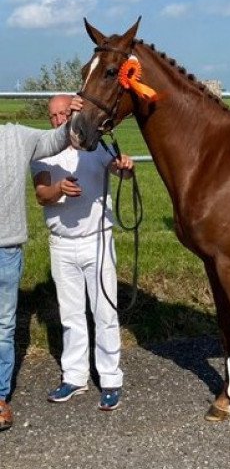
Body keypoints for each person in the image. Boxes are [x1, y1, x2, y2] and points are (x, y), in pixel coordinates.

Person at [31, 94, 134, 412]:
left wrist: (126, 168)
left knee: (105, 311)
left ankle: (110, 379)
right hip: (61, 244)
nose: (59, 120)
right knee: (71, 314)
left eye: (64, 112)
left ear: (74, 112)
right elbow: (42, 195)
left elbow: (122, 173)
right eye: (53, 116)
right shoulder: (42, 152)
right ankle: (74, 377)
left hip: (97, 240)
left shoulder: (96, 142)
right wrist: (59, 189)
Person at [0, 95, 83, 431]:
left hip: (7, 249)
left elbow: (54, 139)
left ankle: (0, 397)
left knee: (4, 327)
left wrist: (76, 117)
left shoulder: (15, 136)